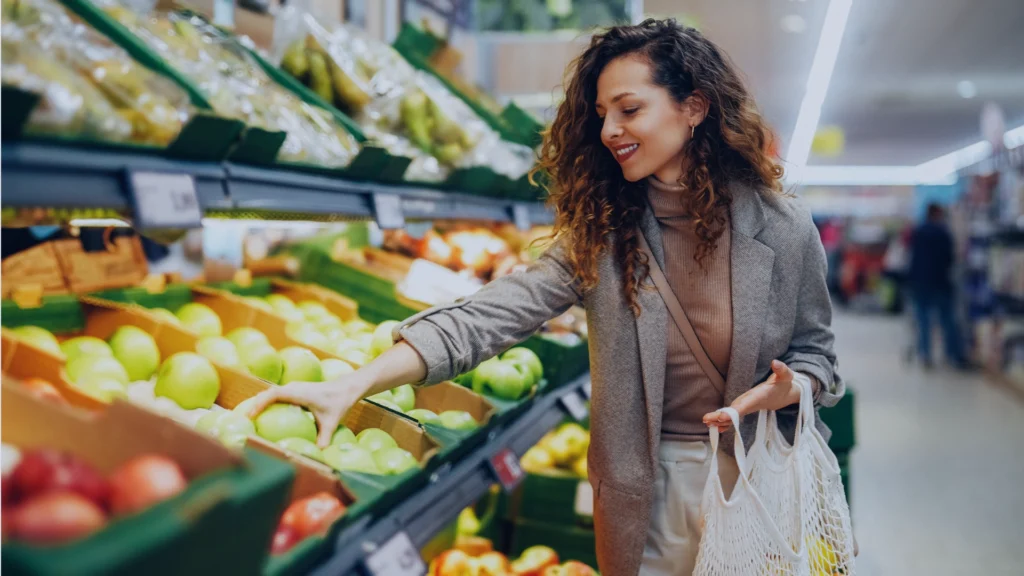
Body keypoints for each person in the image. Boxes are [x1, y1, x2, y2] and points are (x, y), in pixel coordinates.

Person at [249, 19, 844, 576]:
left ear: (694, 108)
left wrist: (794, 385)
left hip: (758, 481)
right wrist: (354, 383)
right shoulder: (603, 234)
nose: (610, 130)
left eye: (629, 109)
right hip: (646, 490)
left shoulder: (783, 228)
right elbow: (484, 319)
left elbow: (819, 354)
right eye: (602, 114)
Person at [908, 203, 966, 368]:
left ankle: (925, 355)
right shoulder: (944, 233)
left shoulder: (918, 231)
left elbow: (913, 257)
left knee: (923, 320)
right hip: (941, 282)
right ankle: (951, 355)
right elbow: (949, 258)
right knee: (947, 320)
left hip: (921, 282)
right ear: (937, 213)